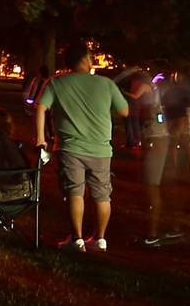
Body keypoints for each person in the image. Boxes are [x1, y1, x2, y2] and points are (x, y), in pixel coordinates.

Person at [35, 43, 129, 252]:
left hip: (70, 147)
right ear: (86, 59)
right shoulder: (106, 84)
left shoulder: (56, 83)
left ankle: (76, 240)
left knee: (75, 192)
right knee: (102, 194)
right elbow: (124, 111)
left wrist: (41, 137)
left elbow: (41, 107)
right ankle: (100, 239)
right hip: (101, 148)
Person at [129, 75, 182, 246]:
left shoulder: (159, 99)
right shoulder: (159, 100)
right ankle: (173, 228)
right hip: (160, 142)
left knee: (153, 187)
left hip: (159, 143)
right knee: (163, 188)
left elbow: (178, 121)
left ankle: (152, 235)